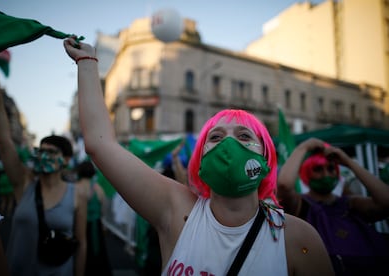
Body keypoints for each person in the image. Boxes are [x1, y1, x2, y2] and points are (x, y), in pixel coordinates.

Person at [63, 37, 334, 275]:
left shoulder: (299, 239)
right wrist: (87, 62)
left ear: (265, 158)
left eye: (244, 136)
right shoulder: (175, 209)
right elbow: (102, 146)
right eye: (215, 137)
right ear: (200, 160)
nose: (228, 143)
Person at [0, 62, 87, 276]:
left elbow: (81, 243)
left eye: (52, 152)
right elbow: (5, 142)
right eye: (42, 150)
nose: (43, 156)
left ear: (66, 160)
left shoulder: (78, 195)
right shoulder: (24, 183)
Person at [277, 137, 389, 275]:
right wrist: (303, 147)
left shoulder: (351, 204)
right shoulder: (301, 205)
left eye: (331, 168)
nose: (326, 174)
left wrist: (348, 162)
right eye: (318, 169)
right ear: (306, 173)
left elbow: (386, 202)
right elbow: (284, 185)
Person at [76, 160, 111, 276]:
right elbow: (103, 209)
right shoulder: (98, 189)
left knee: (80, 255)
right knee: (98, 257)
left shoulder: (76, 188)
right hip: (96, 227)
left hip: (79, 226)